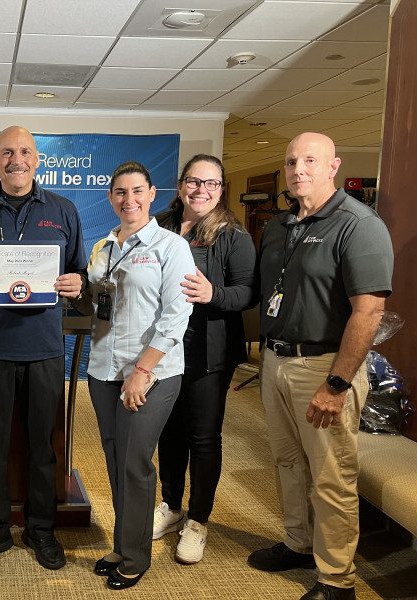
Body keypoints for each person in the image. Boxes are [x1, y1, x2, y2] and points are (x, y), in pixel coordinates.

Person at [248, 133, 393, 600]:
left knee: (331, 475)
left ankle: (336, 579)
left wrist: (337, 384)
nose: (298, 169)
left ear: (334, 166)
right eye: (291, 161)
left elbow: (368, 312)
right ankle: (298, 542)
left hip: (324, 366)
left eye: (310, 160)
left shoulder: (358, 224)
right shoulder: (279, 225)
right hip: (274, 360)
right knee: (288, 461)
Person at [0, 126, 87, 572]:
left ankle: (40, 529)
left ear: (37, 160)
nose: (16, 159)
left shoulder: (63, 210)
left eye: (25, 151)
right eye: (7, 152)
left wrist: (75, 283)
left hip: (45, 349)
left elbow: (78, 274)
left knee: (42, 446)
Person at [76, 161, 194, 590]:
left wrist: (143, 370)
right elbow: (97, 304)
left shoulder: (169, 245)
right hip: (104, 369)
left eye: (137, 191)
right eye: (120, 193)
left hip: (151, 373)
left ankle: (137, 554)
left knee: (135, 461)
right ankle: (124, 543)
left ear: (152, 194)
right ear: (110, 198)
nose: (129, 200)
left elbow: (176, 315)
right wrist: (75, 291)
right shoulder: (103, 246)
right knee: (114, 458)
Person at [154, 154, 258, 564]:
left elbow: (249, 291)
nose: (202, 191)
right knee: (169, 433)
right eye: (194, 182)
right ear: (181, 185)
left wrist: (214, 294)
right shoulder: (158, 224)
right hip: (163, 349)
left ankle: (198, 521)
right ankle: (172, 505)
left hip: (207, 352)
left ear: (221, 189)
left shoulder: (233, 234)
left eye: (211, 184)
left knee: (203, 437)